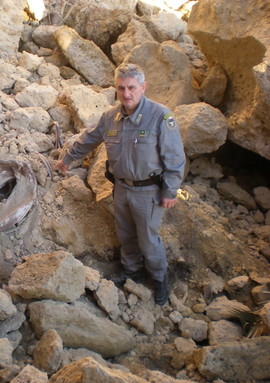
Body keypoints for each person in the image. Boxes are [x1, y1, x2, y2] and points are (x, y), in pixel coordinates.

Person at [55, 63, 185, 305]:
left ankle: (159, 279)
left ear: (143, 87)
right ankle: (131, 268)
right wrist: (67, 158)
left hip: (150, 191)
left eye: (132, 88)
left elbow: (175, 157)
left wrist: (170, 189)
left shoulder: (160, 116)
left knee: (147, 238)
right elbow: (88, 140)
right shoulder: (110, 118)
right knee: (125, 234)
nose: (126, 94)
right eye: (121, 88)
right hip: (122, 188)